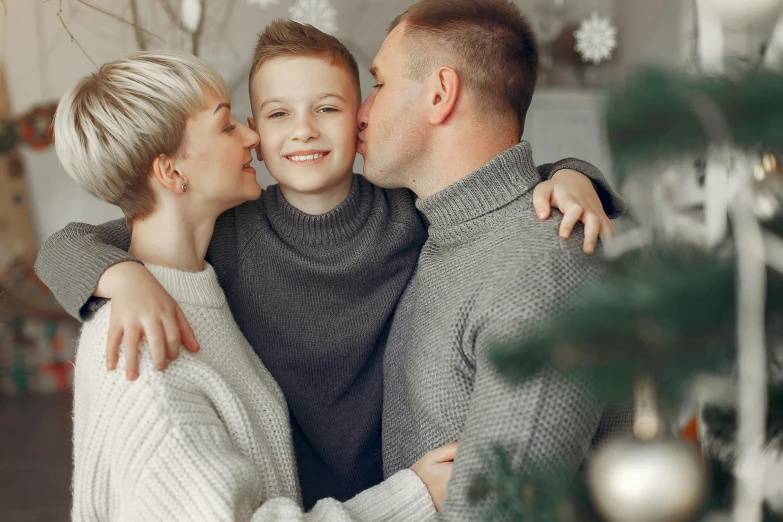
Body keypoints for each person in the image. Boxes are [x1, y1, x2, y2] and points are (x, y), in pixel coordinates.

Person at [35, 22, 623, 508]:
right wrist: (122, 277)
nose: (304, 131)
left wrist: (573, 175)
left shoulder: (408, 213)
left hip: (400, 491)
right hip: (299, 503)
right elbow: (69, 245)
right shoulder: (224, 234)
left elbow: (482, 194)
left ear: (359, 121)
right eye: (270, 116)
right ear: (257, 132)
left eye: (330, 107)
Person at [58, 50, 457, 521]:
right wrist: (412, 499)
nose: (253, 137)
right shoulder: (143, 351)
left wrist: (566, 173)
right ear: (171, 172)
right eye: (228, 126)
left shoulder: (192, 287)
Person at [357, 1, 631, 519]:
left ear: (439, 94)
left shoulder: (543, 267)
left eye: (379, 84)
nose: (361, 112)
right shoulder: (444, 230)